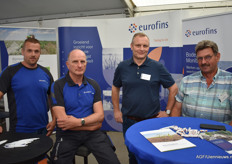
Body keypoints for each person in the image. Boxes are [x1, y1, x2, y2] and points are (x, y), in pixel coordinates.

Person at [112, 32, 178, 164]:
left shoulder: (157, 67)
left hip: (151, 121)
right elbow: (115, 87)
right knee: (132, 155)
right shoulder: (122, 67)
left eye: (145, 46)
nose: (142, 49)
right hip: (129, 121)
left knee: (152, 156)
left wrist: (168, 111)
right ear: (131, 46)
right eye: (138, 45)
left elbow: (174, 88)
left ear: (148, 47)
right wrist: (116, 110)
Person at [50, 49, 120, 164]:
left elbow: (100, 116)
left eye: (82, 62)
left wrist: (79, 122)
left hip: (93, 134)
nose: (79, 65)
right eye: (75, 62)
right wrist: (91, 125)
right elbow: (63, 122)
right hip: (68, 134)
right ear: (68, 64)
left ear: (86, 64)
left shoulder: (93, 84)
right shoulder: (57, 85)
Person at [0, 35, 55, 136]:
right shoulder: (10, 72)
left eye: (36, 51)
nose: (33, 54)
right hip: (19, 129)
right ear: (22, 51)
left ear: (40, 53)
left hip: (43, 128)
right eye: (29, 51)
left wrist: (54, 120)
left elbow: (52, 98)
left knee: (42, 152)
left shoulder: (45, 73)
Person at [171, 40, 232, 125]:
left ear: (217, 57)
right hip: (189, 133)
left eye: (207, 57)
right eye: (200, 58)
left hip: (219, 135)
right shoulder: (187, 81)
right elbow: (176, 109)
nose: (203, 62)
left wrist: (226, 135)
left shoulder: (230, 81)